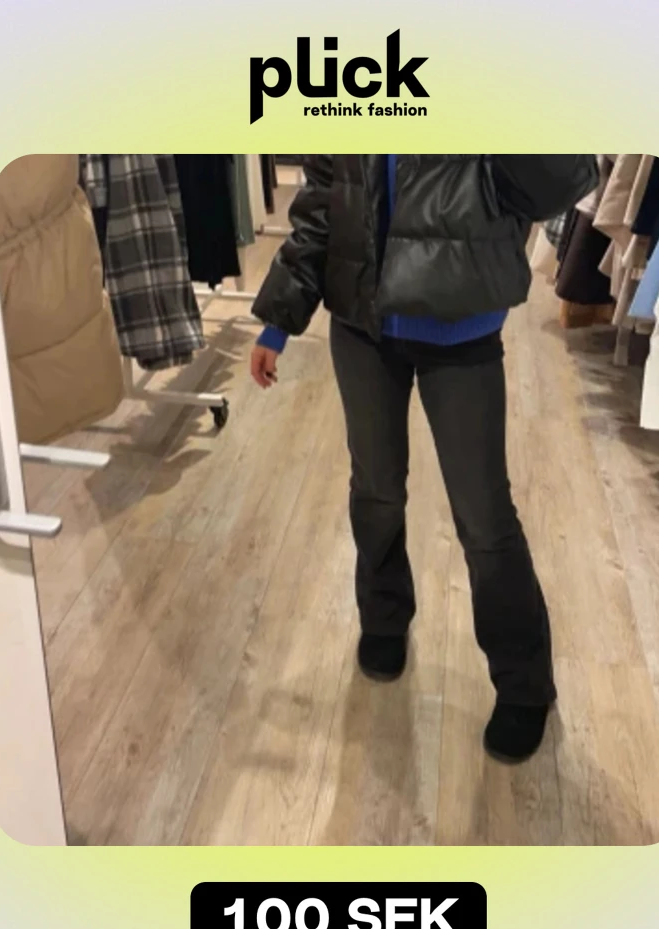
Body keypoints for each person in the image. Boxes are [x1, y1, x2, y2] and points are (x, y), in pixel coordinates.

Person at [249, 155, 598, 761]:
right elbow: (324, 196)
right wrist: (279, 319)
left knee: (484, 516)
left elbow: (556, 185)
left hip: (461, 324)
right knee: (375, 488)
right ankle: (384, 616)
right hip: (362, 323)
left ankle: (523, 680)